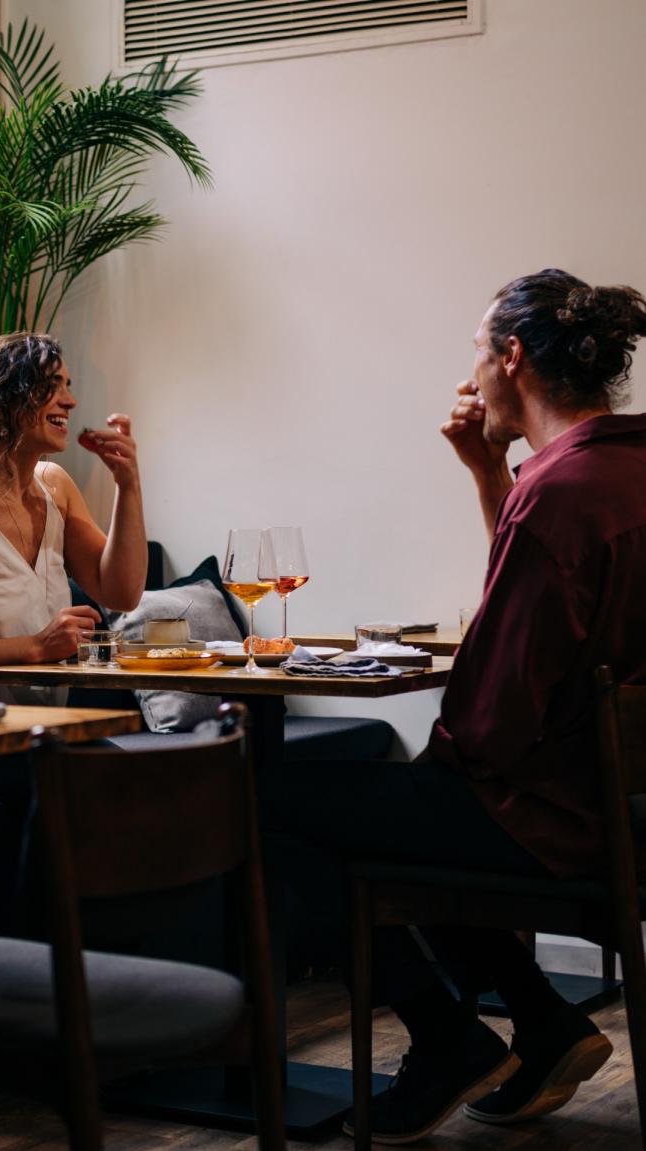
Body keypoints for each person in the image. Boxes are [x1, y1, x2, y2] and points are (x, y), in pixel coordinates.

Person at [261, 268, 646, 1143]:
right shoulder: (616, 472)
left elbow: (491, 717)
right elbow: (555, 611)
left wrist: (440, 760)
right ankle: (541, 1021)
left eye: (478, 353)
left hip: (553, 817)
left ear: (513, 358)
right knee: (404, 800)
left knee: (271, 800)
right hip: (614, 803)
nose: (469, 377)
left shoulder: (560, 494)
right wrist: (487, 474)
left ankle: (445, 1039)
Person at [0, 332, 147, 929]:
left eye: (68, 385)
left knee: (146, 787)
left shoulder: (55, 487)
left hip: (39, 734)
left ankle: (99, 973)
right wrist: (36, 647)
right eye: (51, 386)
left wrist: (129, 486)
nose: (68, 399)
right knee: (93, 794)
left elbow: (122, 591)